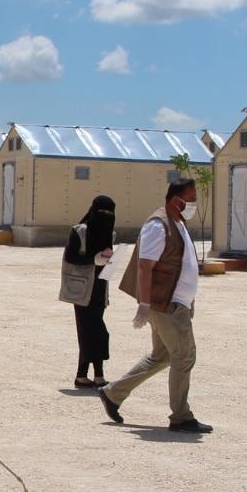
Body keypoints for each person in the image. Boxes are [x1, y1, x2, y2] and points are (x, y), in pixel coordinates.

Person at [98, 179, 211, 434]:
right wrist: (144, 304)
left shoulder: (178, 223)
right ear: (176, 201)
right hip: (167, 305)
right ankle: (181, 416)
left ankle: (112, 393)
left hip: (176, 303)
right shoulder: (157, 226)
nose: (193, 205)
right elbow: (144, 266)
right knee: (184, 355)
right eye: (190, 199)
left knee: (163, 356)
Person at [63, 195, 116, 388]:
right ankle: (98, 375)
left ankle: (82, 375)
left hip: (101, 288)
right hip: (82, 289)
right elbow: (70, 257)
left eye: (110, 213)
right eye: (103, 212)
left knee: (91, 331)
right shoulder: (79, 231)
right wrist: (93, 260)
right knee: (92, 331)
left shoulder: (109, 233)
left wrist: (109, 260)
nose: (106, 217)